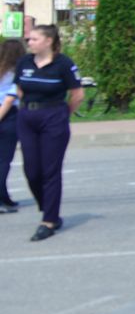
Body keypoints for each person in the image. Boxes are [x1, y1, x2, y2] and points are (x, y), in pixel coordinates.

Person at [15, 24, 83, 240]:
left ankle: (49, 220)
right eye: (29, 39)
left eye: (34, 39)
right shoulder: (24, 62)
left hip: (53, 116)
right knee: (31, 170)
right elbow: (19, 89)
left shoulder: (63, 64)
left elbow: (77, 94)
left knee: (50, 171)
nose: (29, 42)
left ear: (48, 41)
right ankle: (48, 206)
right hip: (28, 117)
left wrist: (63, 114)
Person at [0, 38, 20, 213]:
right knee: (4, 160)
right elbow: (9, 100)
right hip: (8, 116)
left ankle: (5, 196)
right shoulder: (16, 72)